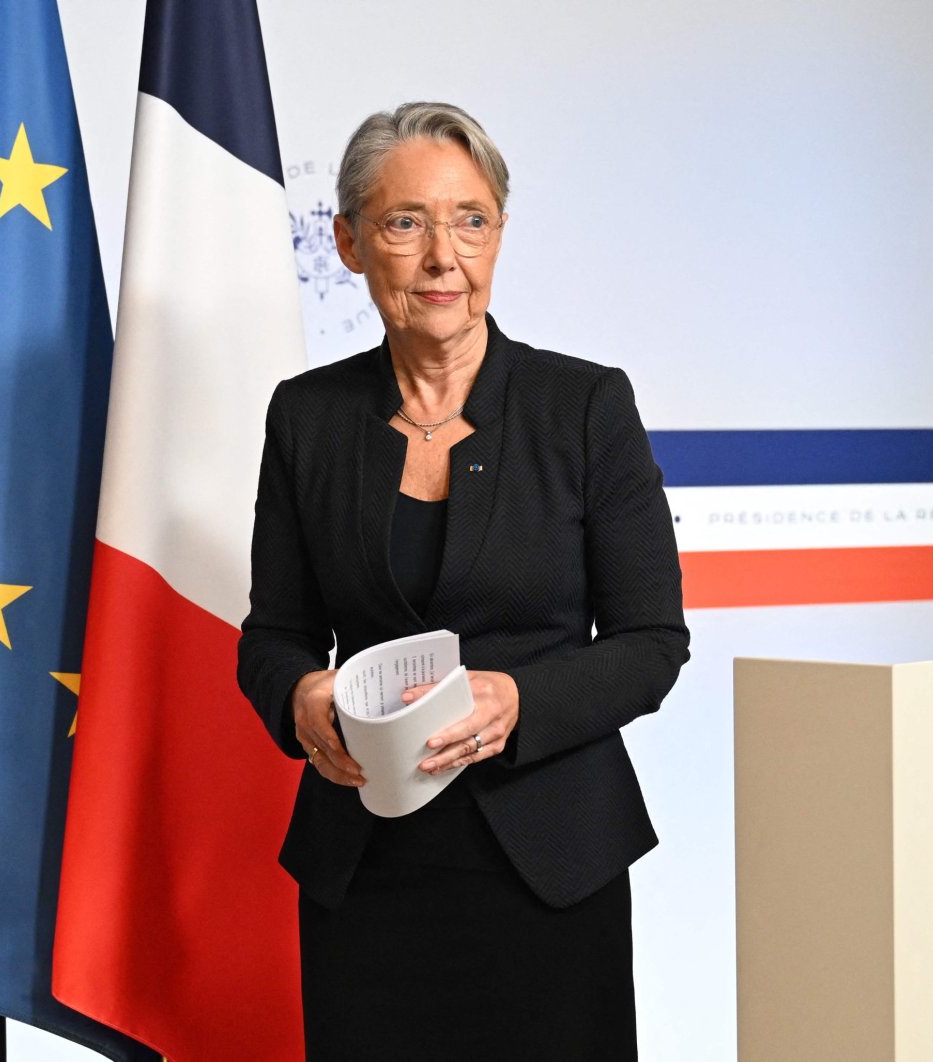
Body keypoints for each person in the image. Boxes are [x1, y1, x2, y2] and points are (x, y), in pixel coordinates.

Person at [237, 101, 689, 1061]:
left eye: (470, 219)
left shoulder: (584, 405)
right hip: (369, 871)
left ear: (499, 235)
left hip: (550, 868)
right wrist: (304, 698)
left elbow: (654, 645)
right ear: (351, 243)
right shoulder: (306, 419)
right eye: (407, 223)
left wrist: (520, 698)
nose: (444, 255)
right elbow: (271, 638)